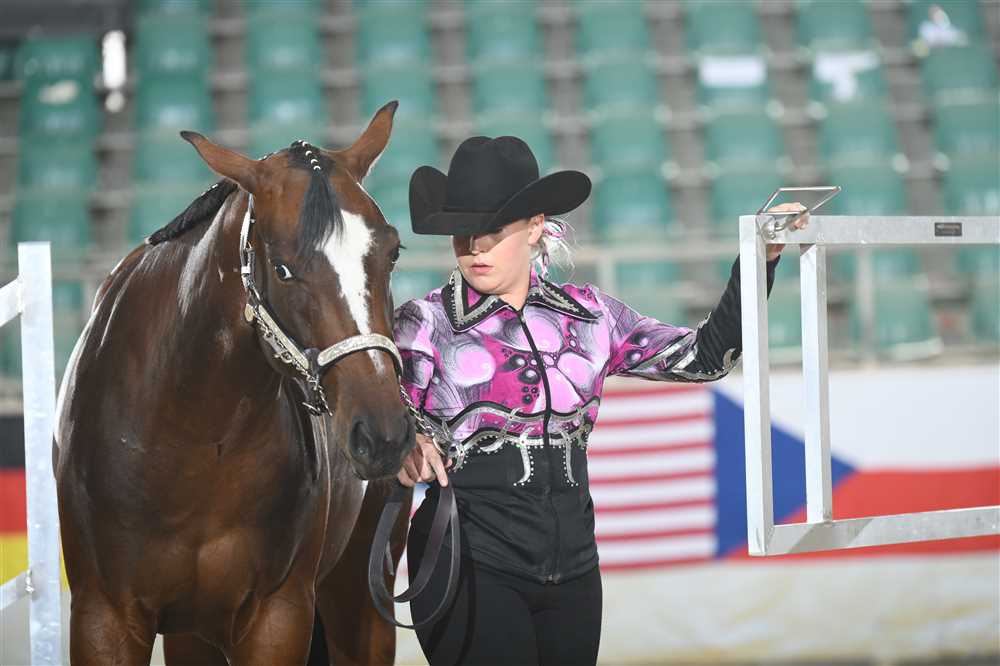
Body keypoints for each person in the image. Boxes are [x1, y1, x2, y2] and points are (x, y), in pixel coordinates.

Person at [392, 135, 806, 665]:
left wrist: (758, 259)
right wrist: (405, 441)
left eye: (491, 231)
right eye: (461, 233)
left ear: (535, 226)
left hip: (574, 572)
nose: (474, 247)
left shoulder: (591, 316)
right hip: (467, 564)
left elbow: (705, 358)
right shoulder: (422, 323)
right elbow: (377, 420)